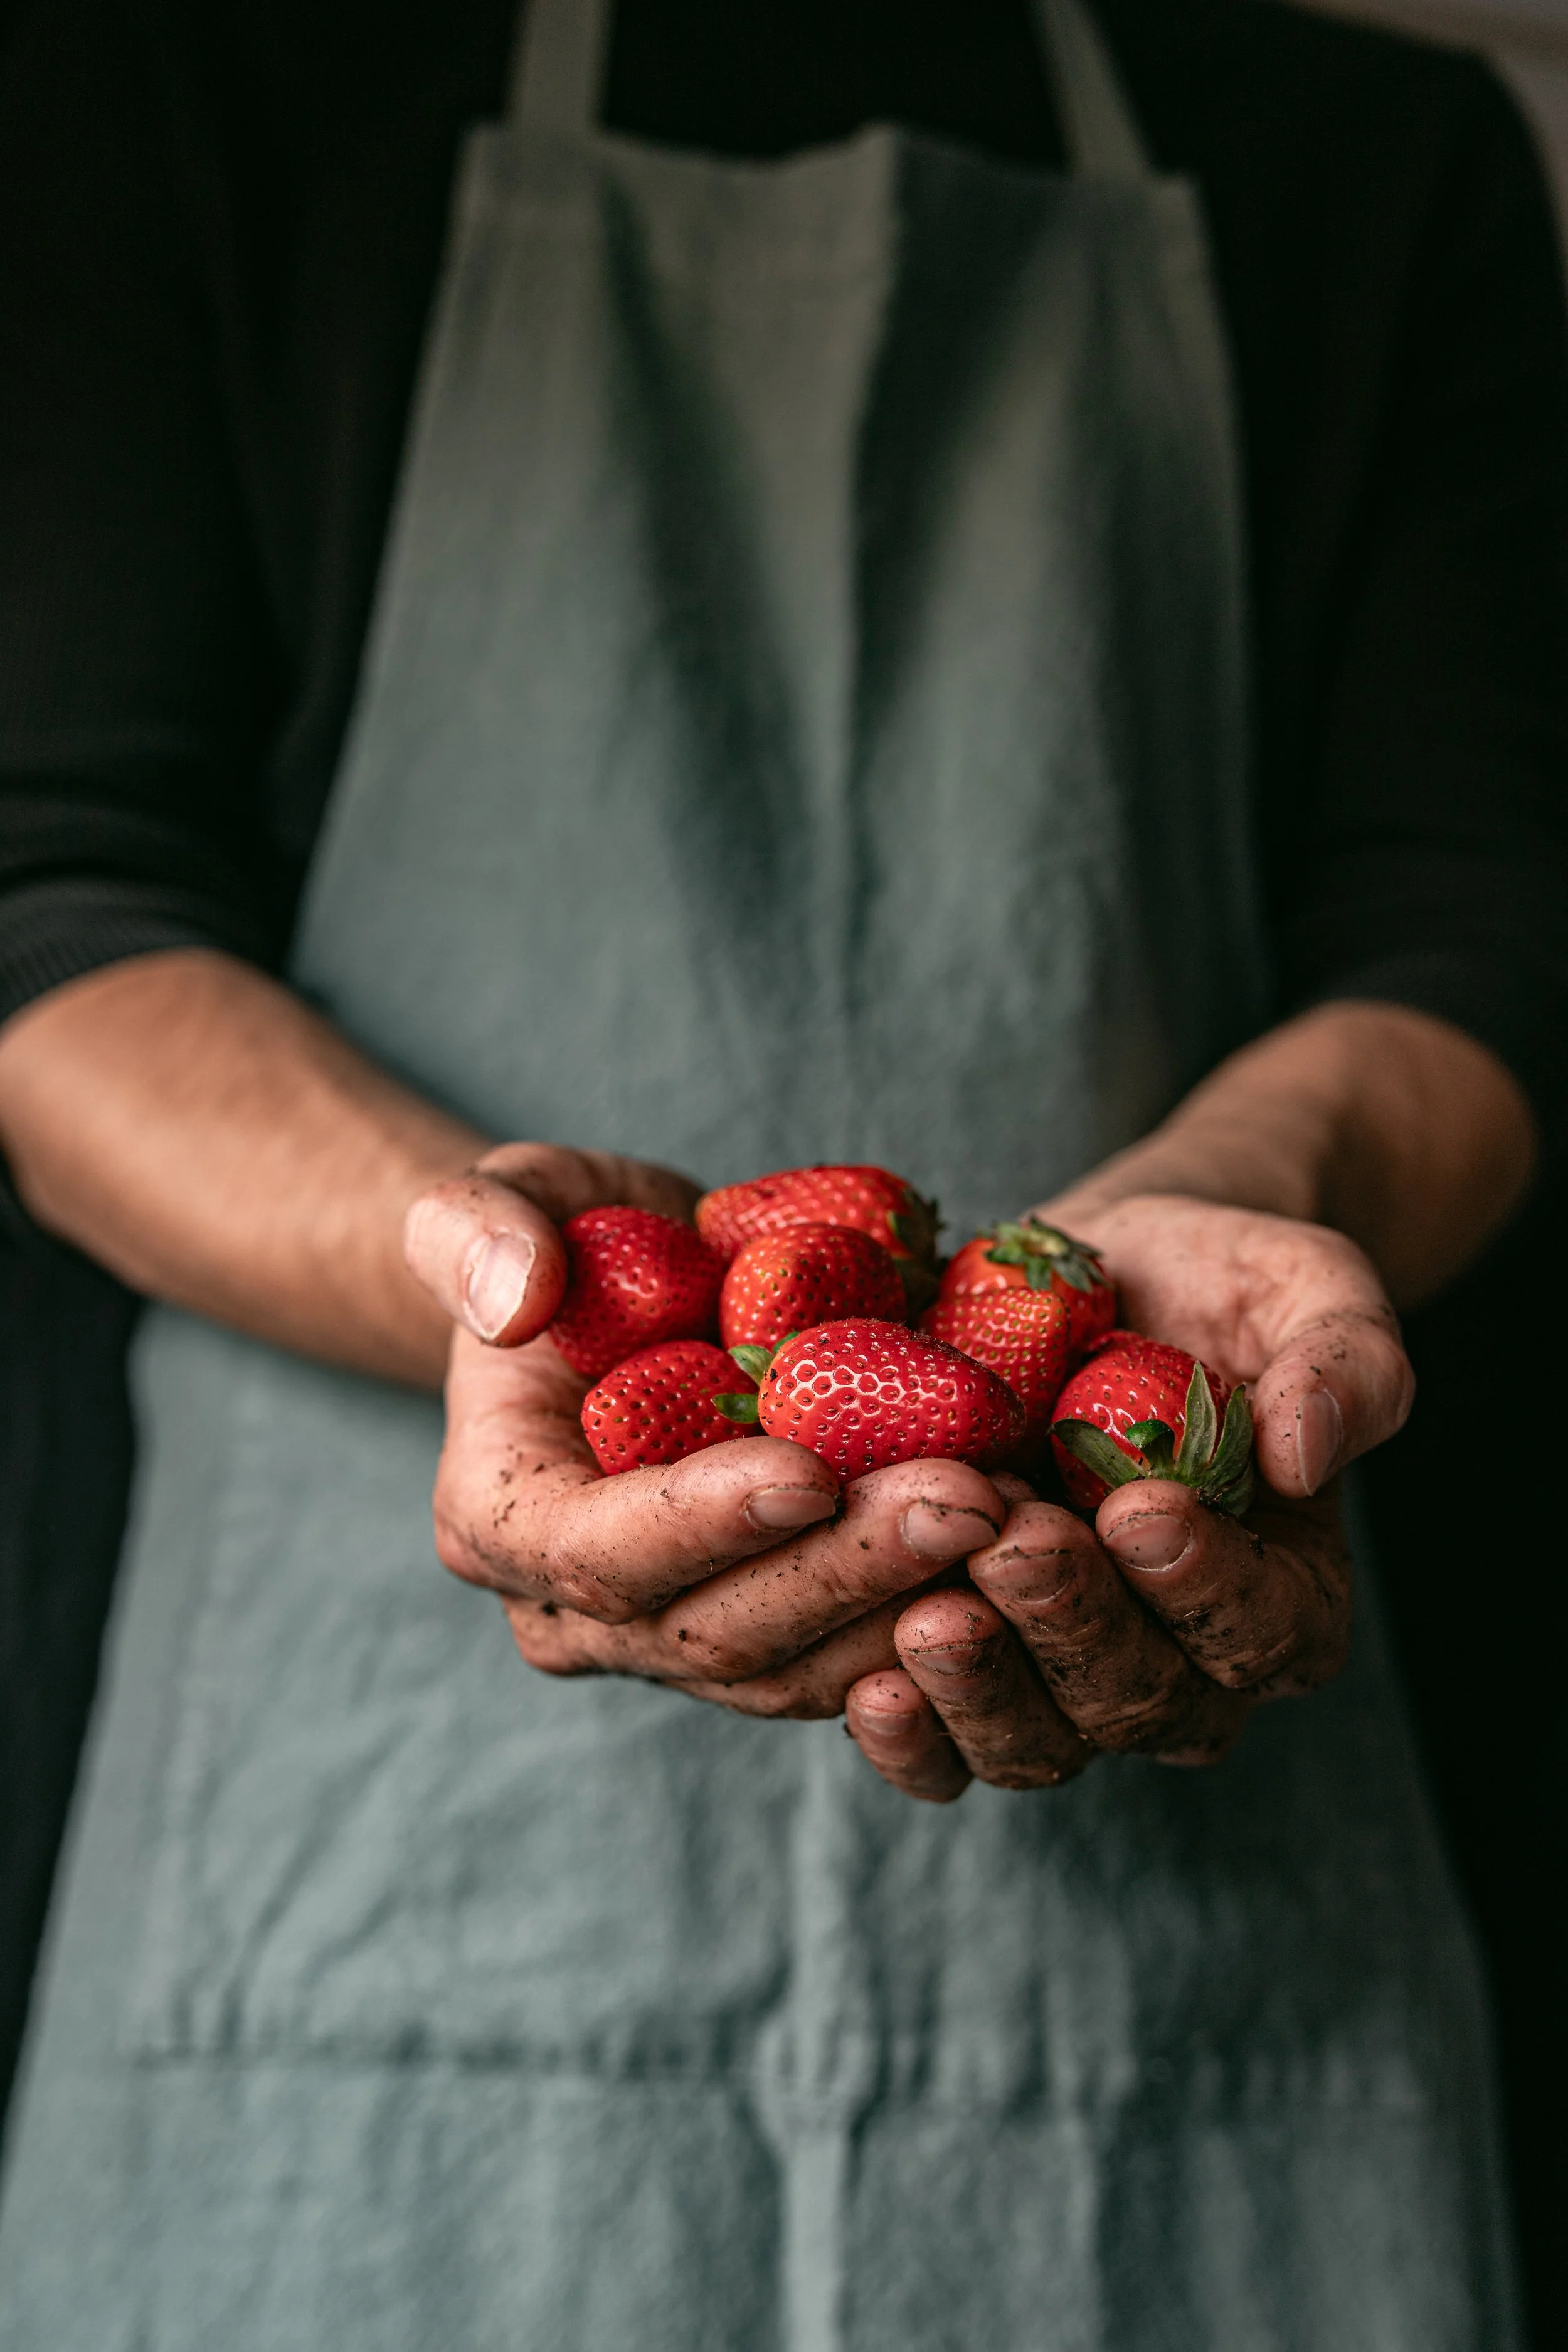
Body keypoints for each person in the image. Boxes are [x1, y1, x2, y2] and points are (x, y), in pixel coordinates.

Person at [0, 0, 1565, 2342]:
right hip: (360, 1806)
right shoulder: (167, 79)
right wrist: (491, 1270)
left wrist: (1236, 1186)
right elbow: (54, 906)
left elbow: (1480, 926)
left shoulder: (1383, 152)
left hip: (1190, 1854)